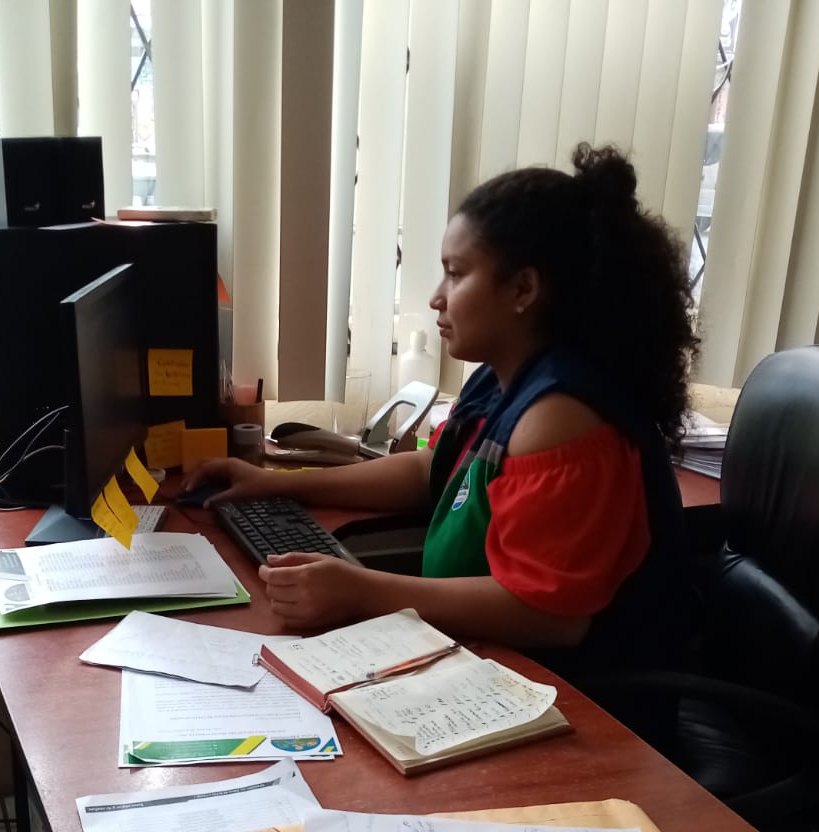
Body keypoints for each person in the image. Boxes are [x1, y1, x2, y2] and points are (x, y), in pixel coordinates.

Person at [184, 143, 699, 685]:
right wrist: (274, 483)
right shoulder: (500, 378)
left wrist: (362, 591)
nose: (436, 297)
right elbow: (430, 470)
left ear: (523, 289)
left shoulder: (562, 416)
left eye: (456, 274)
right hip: (481, 667)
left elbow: (550, 616)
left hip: (574, 700)